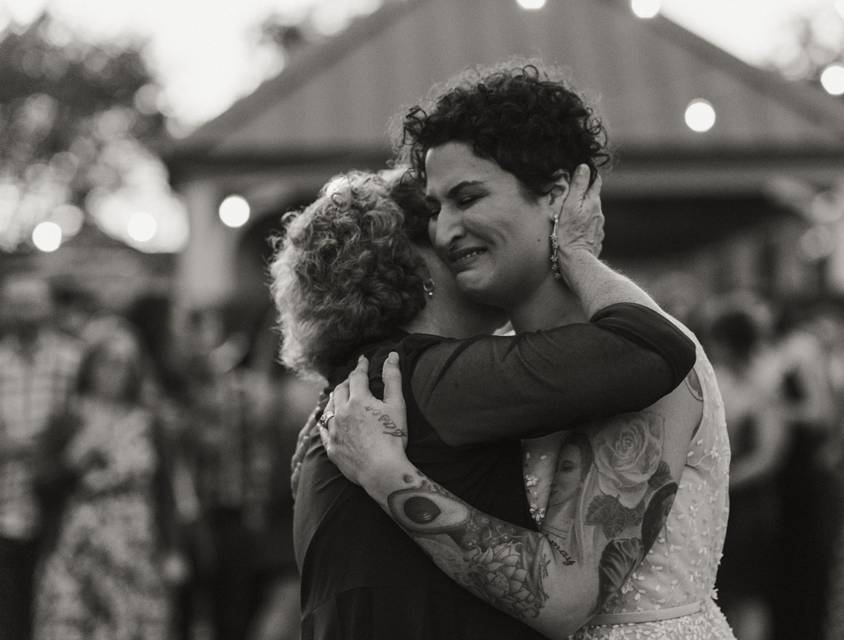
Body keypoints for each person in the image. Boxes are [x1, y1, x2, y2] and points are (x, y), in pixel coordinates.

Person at [314, 62, 734, 639]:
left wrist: (388, 475)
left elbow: (565, 599)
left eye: (467, 198)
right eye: (436, 209)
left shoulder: (637, 364)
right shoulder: (506, 361)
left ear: (557, 194)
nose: (444, 230)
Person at [32, 317, 178, 640]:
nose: (114, 372)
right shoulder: (67, 418)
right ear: (90, 365)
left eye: (124, 364)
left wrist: (172, 549)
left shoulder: (147, 422)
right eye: (107, 362)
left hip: (134, 547)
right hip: (78, 547)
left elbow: (165, 489)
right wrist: (74, 458)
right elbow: (41, 486)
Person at [0, 274, 82, 640]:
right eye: (17, 304)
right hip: (6, 503)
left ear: (48, 307)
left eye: (32, 303)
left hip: (58, 506)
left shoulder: (72, 360)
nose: (25, 313)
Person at [708, 306, 788, 640]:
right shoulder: (713, 377)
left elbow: (770, 454)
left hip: (749, 503)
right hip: (717, 497)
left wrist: (726, 481)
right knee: (719, 591)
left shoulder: (762, 385)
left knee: (750, 594)